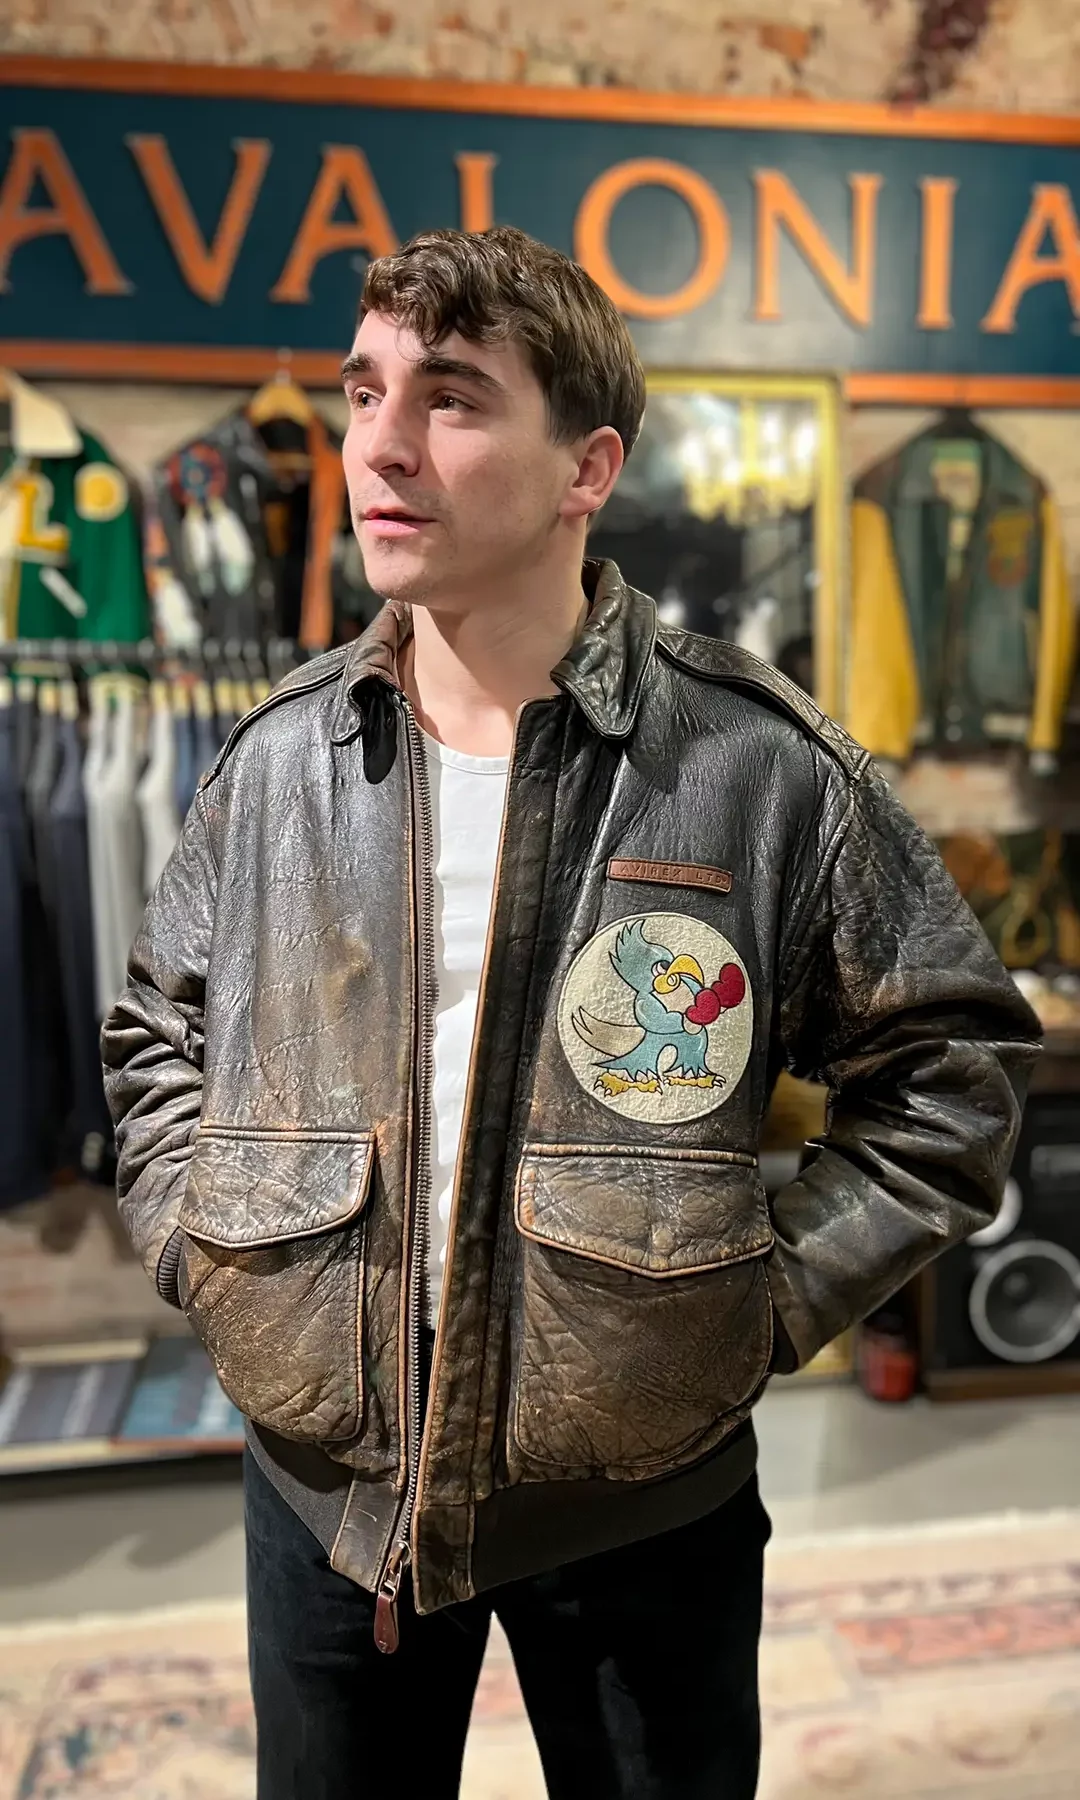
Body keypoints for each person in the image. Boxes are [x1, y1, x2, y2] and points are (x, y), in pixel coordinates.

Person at [102, 226, 1041, 1800]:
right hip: (328, 1508)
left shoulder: (755, 769)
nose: (380, 444)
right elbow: (156, 1037)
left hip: (642, 1502)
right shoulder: (276, 764)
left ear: (586, 467)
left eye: (453, 398)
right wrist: (210, 1258)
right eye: (365, 390)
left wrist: (754, 1310)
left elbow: (950, 1078)